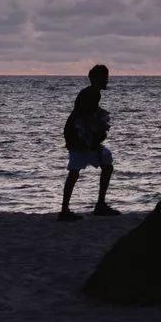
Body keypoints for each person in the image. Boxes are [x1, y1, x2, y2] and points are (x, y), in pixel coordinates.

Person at [59, 63, 118, 220]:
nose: (107, 81)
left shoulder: (91, 93)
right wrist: (94, 139)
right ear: (98, 79)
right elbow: (85, 119)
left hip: (79, 136)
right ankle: (65, 210)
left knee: (105, 165)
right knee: (75, 171)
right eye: (105, 78)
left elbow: (87, 114)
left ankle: (99, 204)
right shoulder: (92, 94)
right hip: (78, 137)